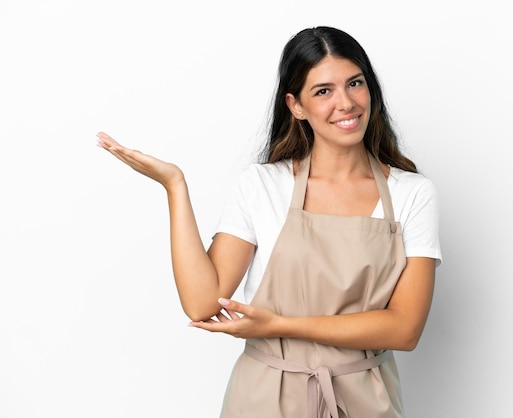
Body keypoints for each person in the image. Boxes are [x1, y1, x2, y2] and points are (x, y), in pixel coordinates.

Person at [97, 26, 441, 418]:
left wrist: (280, 324)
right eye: (323, 91)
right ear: (296, 106)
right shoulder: (263, 185)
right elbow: (202, 302)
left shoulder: (412, 193)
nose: (345, 103)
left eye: (355, 83)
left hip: (366, 400)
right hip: (263, 399)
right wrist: (175, 186)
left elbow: (404, 329)